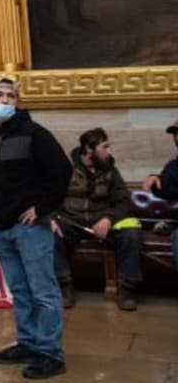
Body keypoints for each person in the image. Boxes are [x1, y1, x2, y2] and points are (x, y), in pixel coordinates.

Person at [0, 76, 71, 379]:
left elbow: (61, 171)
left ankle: (50, 353)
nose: (4, 100)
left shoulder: (34, 133)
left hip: (30, 226)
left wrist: (42, 208)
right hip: (2, 226)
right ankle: (28, 344)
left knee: (43, 291)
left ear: (17, 101)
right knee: (19, 289)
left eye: (10, 96)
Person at [54, 128, 141, 311]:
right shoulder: (65, 168)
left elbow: (123, 200)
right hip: (72, 220)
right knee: (51, 234)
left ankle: (126, 289)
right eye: (105, 147)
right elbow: (50, 197)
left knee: (131, 234)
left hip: (103, 220)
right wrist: (51, 218)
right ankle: (64, 286)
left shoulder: (111, 170)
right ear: (88, 149)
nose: (109, 152)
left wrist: (109, 219)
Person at [142, 119, 178, 270]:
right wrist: (156, 178)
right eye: (175, 134)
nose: (177, 138)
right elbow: (166, 191)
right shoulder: (173, 166)